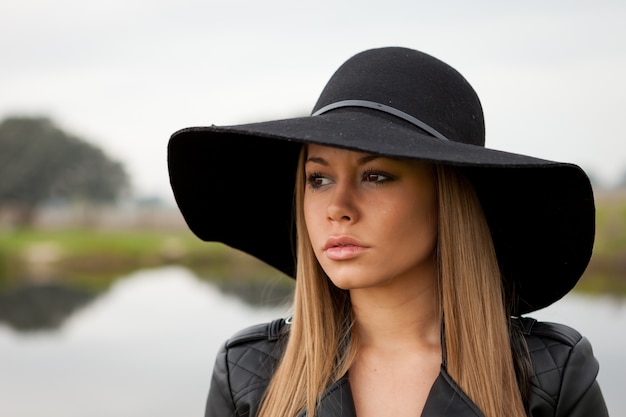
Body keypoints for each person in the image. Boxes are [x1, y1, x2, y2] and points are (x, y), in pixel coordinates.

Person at [167, 47, 609, 417]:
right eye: (318, 179)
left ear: (447, 198)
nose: (337, 209)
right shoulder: (248, 373)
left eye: (375, 176)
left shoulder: (548, 374)